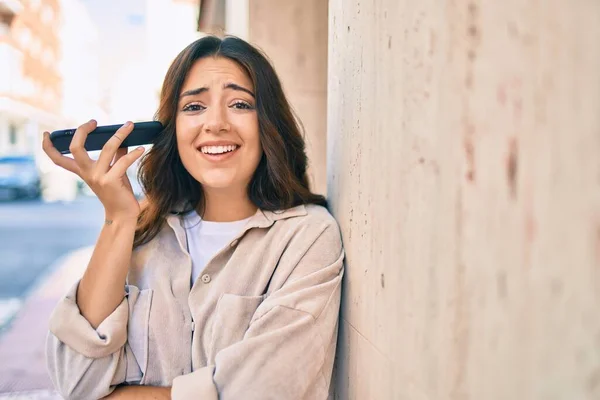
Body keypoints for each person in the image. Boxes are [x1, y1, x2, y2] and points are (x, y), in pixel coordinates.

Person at [42, 36, 344, 400]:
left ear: (268, 124)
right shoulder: (139, 235)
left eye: (239, 103)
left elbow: (262, 391)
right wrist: (118, 220)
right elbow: (76, 382)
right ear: (171, 129)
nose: (215, 123)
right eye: (194, 106)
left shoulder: (307, 237)